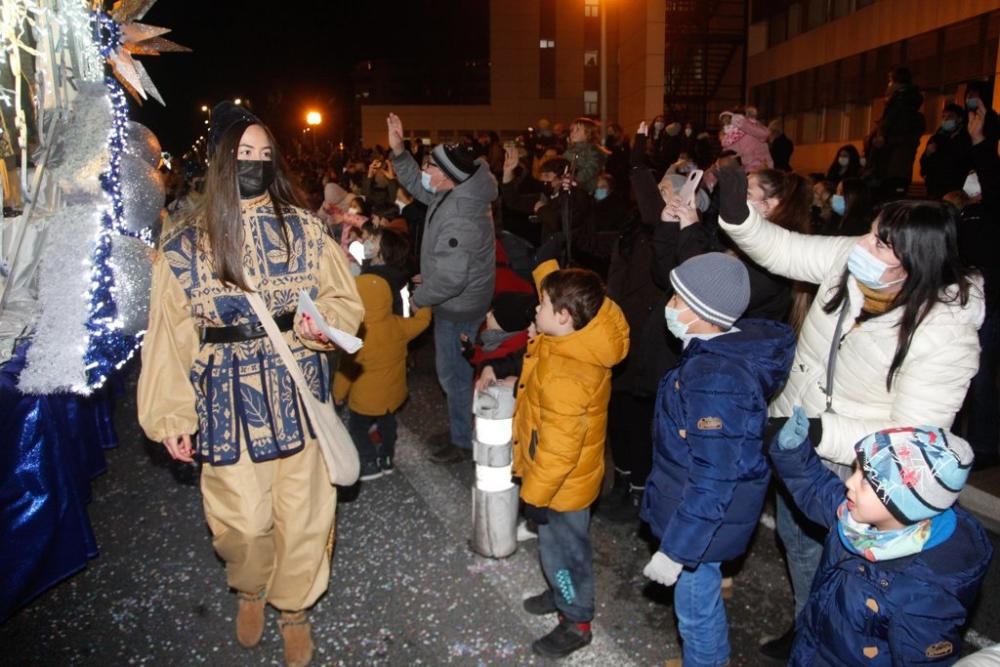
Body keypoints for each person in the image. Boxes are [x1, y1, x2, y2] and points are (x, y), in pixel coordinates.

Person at [715, 164, 984, 660]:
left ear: (915, 260)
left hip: (861, 469)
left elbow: (913, 437)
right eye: (871, 233)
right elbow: (788, 250)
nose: (863, 245)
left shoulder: (946, 333)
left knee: (850, 568)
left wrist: (817, 432)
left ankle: (834, 637)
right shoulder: (855, 262)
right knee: (799, 544)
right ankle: (810, 625)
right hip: (801, 442)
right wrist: (738, 217)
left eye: (881, 243)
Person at [138, 102, 364, 667]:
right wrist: (171, 417)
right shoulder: (185, 243)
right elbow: (170, 336)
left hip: (298, 392)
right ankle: (250, 586)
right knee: (240, 524)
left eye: (265, 154)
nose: (256, 164)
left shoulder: (307, 229)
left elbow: (344, 302)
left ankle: (294, 608)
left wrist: (322, 326)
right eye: (244, 154)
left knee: (305, 517)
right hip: (226, 401)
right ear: (220, 160)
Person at [641, 252, 795, 667]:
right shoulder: (710, 355)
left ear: (703, 313)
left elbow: (714, 476)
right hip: (701, 515)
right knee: (699, 602)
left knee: (695, 611)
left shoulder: (716, 379)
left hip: (702, 526)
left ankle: (705, 660)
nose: (669, 308)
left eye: (677, 300)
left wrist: (676, 550)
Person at [771, 417, 990, 666]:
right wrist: (794, 452)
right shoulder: (859, 522)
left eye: (866, 479)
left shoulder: (923, 596)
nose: (849, 483)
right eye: (856, 471)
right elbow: (818, 490)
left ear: (903, 501)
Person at [514, 260, 629, 659]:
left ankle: (575, 618)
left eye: (542, 305)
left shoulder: (567, 373)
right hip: (569, 479)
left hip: (559, 487)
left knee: (564, 554)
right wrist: (549, 271)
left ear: (563, 316)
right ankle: (561, 589)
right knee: (561, 549)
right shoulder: (574, 338)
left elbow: (559, 450)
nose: (535, 310)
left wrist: (535, 496)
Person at [386, 113, 498, 465]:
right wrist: (399, 151)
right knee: (455, 373)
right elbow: (419, 188)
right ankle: (458, 429)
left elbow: (453, 279)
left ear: (447, 177)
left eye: (430, 165)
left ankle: (463, 441)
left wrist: (419, 298)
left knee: (454, 375)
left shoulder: (461, 213)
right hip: (455, 298)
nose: (425, 169)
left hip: (459, 307)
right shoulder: (455, 190)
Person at [334, 273, 432, 481]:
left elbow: (346, 371)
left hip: (364, 400)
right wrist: (422, 305)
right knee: (389, 425)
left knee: (358, 428)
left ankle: (369, 462)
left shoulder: (356, 337)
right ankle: (387, 458)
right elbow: (422, 322)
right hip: (392, 396)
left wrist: (338, 394)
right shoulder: (398, 325)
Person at [869, 67, 925, 199]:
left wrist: (883, 140)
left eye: (890, 80)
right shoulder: (898, 104)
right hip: (889, 167)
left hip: (895, 168)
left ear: (898, 82)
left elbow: (904, 136)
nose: (888, 85)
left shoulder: (903, 106)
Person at [920, 103, 972, 200]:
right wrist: (928, 153)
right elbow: (924, 162)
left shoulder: (966, 139)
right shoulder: (936, 138)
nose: (946, 120)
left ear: (960, 119)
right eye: (943, 117)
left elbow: (966, 161)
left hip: (955, 188)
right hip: (934, 187)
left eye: (950, 117)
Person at [563, 117, 608, 194]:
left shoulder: (593, 151)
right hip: (569, 187)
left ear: (588, 133)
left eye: (577, 130)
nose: (573, 132)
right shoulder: (569, 151)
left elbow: (591, 168)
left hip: (587, 189)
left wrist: (575, 179)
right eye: (572, 130)